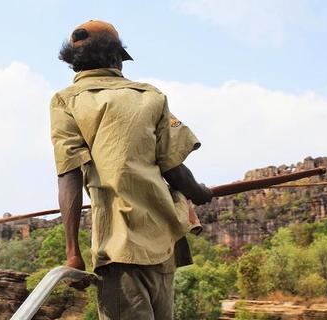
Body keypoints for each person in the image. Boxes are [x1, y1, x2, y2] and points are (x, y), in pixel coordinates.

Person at [50, 20, 212, 320]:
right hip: (163, 244)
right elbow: (174, 169)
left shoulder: (66, 100)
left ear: (75, 64)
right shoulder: (151, 96)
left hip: (118, 247)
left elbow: (69, 175)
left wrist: (73, 253)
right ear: (117, 58)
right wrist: (200, 193)